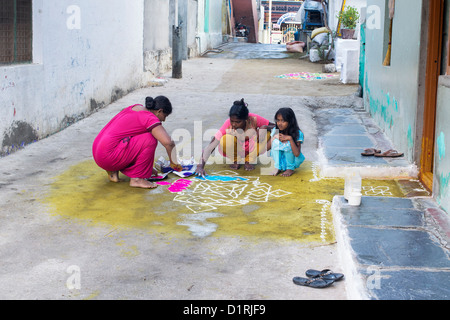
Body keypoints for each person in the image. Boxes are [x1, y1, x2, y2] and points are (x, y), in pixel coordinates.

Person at [92, 96, 181, 189]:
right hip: (109, 157)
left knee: (131, 136)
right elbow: (168, 143)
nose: (164, 120)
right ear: (159, 111)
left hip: (98, 152)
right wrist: (174, 162)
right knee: (150, 139)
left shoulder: (136, 107)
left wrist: (146, 168)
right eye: (165, 116)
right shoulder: (149, 117)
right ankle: (137, 179)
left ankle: (113, 172)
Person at [195, 98, 275, 176]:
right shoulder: (228, 124)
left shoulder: (253, 118)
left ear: (246, 119)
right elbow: (211, 146)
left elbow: (277, 126)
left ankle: (249, 160)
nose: (234, 124)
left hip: (252, 149)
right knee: (225, 139)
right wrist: (200, 166)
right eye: (232, 121)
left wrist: (264, 127)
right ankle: (236, 160)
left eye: (238, 122)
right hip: (237, 149)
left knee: (267, 133)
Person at [267, 107, 305, 177]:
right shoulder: (276, 130)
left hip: (293, 161)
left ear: (290, 121)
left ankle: (290, 168)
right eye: (278, 120)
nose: (280, 123)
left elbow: (297, 154)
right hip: (281, 160)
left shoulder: (297, 133)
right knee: (275, 141)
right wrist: (274, 137)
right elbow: (266, 148)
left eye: (283, 121)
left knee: (288, 144)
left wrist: (290, 139)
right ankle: (278, 167)